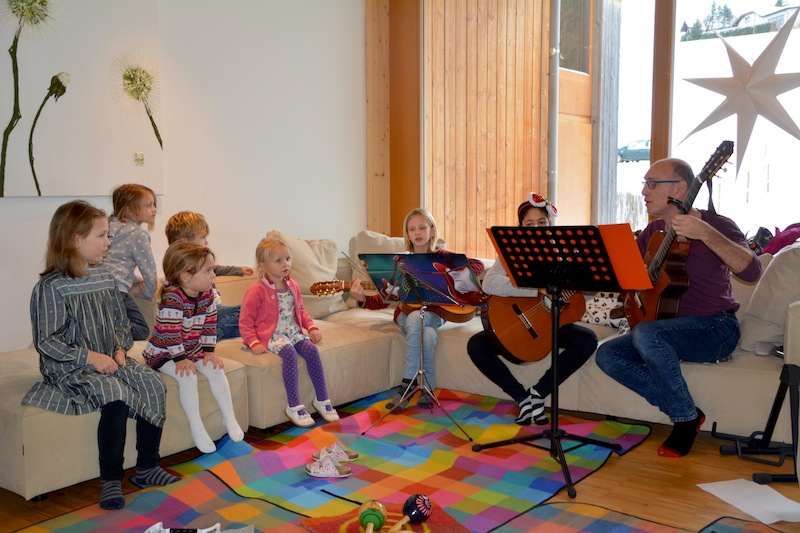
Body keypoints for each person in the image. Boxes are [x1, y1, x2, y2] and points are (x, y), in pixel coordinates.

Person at [596, 158, 762, 457]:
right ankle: (685, 409)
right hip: (664, 330)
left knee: (647, 335)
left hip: (715, 328)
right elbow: (628, 277)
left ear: (681, 187)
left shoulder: (718, 225)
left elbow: (751, 273)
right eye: (643, 184)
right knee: (609, 354)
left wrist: (705, 234)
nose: (644, 192)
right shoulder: (653, 231)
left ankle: (684, 422)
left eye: (652, 184)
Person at [23, 200, 178, 511]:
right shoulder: (50, 287)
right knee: (114, 395)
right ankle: (110, 479)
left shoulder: (105, 277)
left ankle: (147, 467)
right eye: (102, 236)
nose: (108, 242)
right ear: (75, 240)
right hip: (72, 366)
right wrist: (91, 358)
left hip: (110, 358)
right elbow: (46, 342)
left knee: (153, 383)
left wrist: (120, 348)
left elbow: (121, 323)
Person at [467, 193, 598, 426]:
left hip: (552, 325)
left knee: (587, 339)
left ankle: (537, 394)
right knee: (476, 344)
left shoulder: (565, 252)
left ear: (550, 224)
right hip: (523, 319)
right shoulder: (510, 251)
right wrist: (537, 291)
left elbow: (587, 293)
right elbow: (490, 283)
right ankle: (522, 397)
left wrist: (585, 281)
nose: (536, 228)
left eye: (542, 223)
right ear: (520, 227)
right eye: (529, 224)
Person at [351, 208, 485, 410]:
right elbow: (385, 298)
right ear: (407, 234)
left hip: (436, 314)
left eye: (422, 227)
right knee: (426, 333)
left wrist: (451, 276)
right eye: (412, 229)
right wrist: (362, 299)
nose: (417, 232)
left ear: (432, 230)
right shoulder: (400, 261)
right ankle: (426, 388)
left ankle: (406, 385)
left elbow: (477, 264)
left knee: (418, 320)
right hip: (405, 315)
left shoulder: (441, 257)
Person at [143, 241, 245, 453]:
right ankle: (196, 427)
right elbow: (170, 335)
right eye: (208, 271)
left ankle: (229, 418)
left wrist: (209, 353)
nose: (214, 276)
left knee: (216, 368)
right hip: (164, 353)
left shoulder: (207, 295)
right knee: (187, 376)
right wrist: (181, 359)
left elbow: (209, 325)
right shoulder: (172, 299)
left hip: (191, 349)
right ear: (185, 276)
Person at [239, 237, 339, 427]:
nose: (285, 264)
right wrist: (253, 342)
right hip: (272, 336)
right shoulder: (256, 290)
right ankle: (293, 405)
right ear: (263, 266)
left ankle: (322, 399)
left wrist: (311, 327)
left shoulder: (292, 285)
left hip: (293, 332)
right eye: (278, 260)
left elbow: (300, 310)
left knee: (311, 350)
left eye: (287, 259)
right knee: (289, 354)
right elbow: (245, 321)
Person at [164, 211, 254, 340]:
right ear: (185, 242)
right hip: (201, 315)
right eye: (202, 238)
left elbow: (216, 269)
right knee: (245, 310)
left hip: (214, 313)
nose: (206, 242)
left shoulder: (199, 265)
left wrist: (238, 270)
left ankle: (212, 334)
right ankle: (205, 338)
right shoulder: (180, 269)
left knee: (248, 324)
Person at [103, 183, 158, 340]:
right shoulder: (138, 234)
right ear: (128, 209)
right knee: (142, 330)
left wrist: (133, 278)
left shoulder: (107, 226)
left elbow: (113, 262)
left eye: (154, 204)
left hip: (96, 287)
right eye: (149, 205)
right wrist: (147, 294)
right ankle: (109, 332)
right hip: (116, 292)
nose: (154, 209)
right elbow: (150, 272)